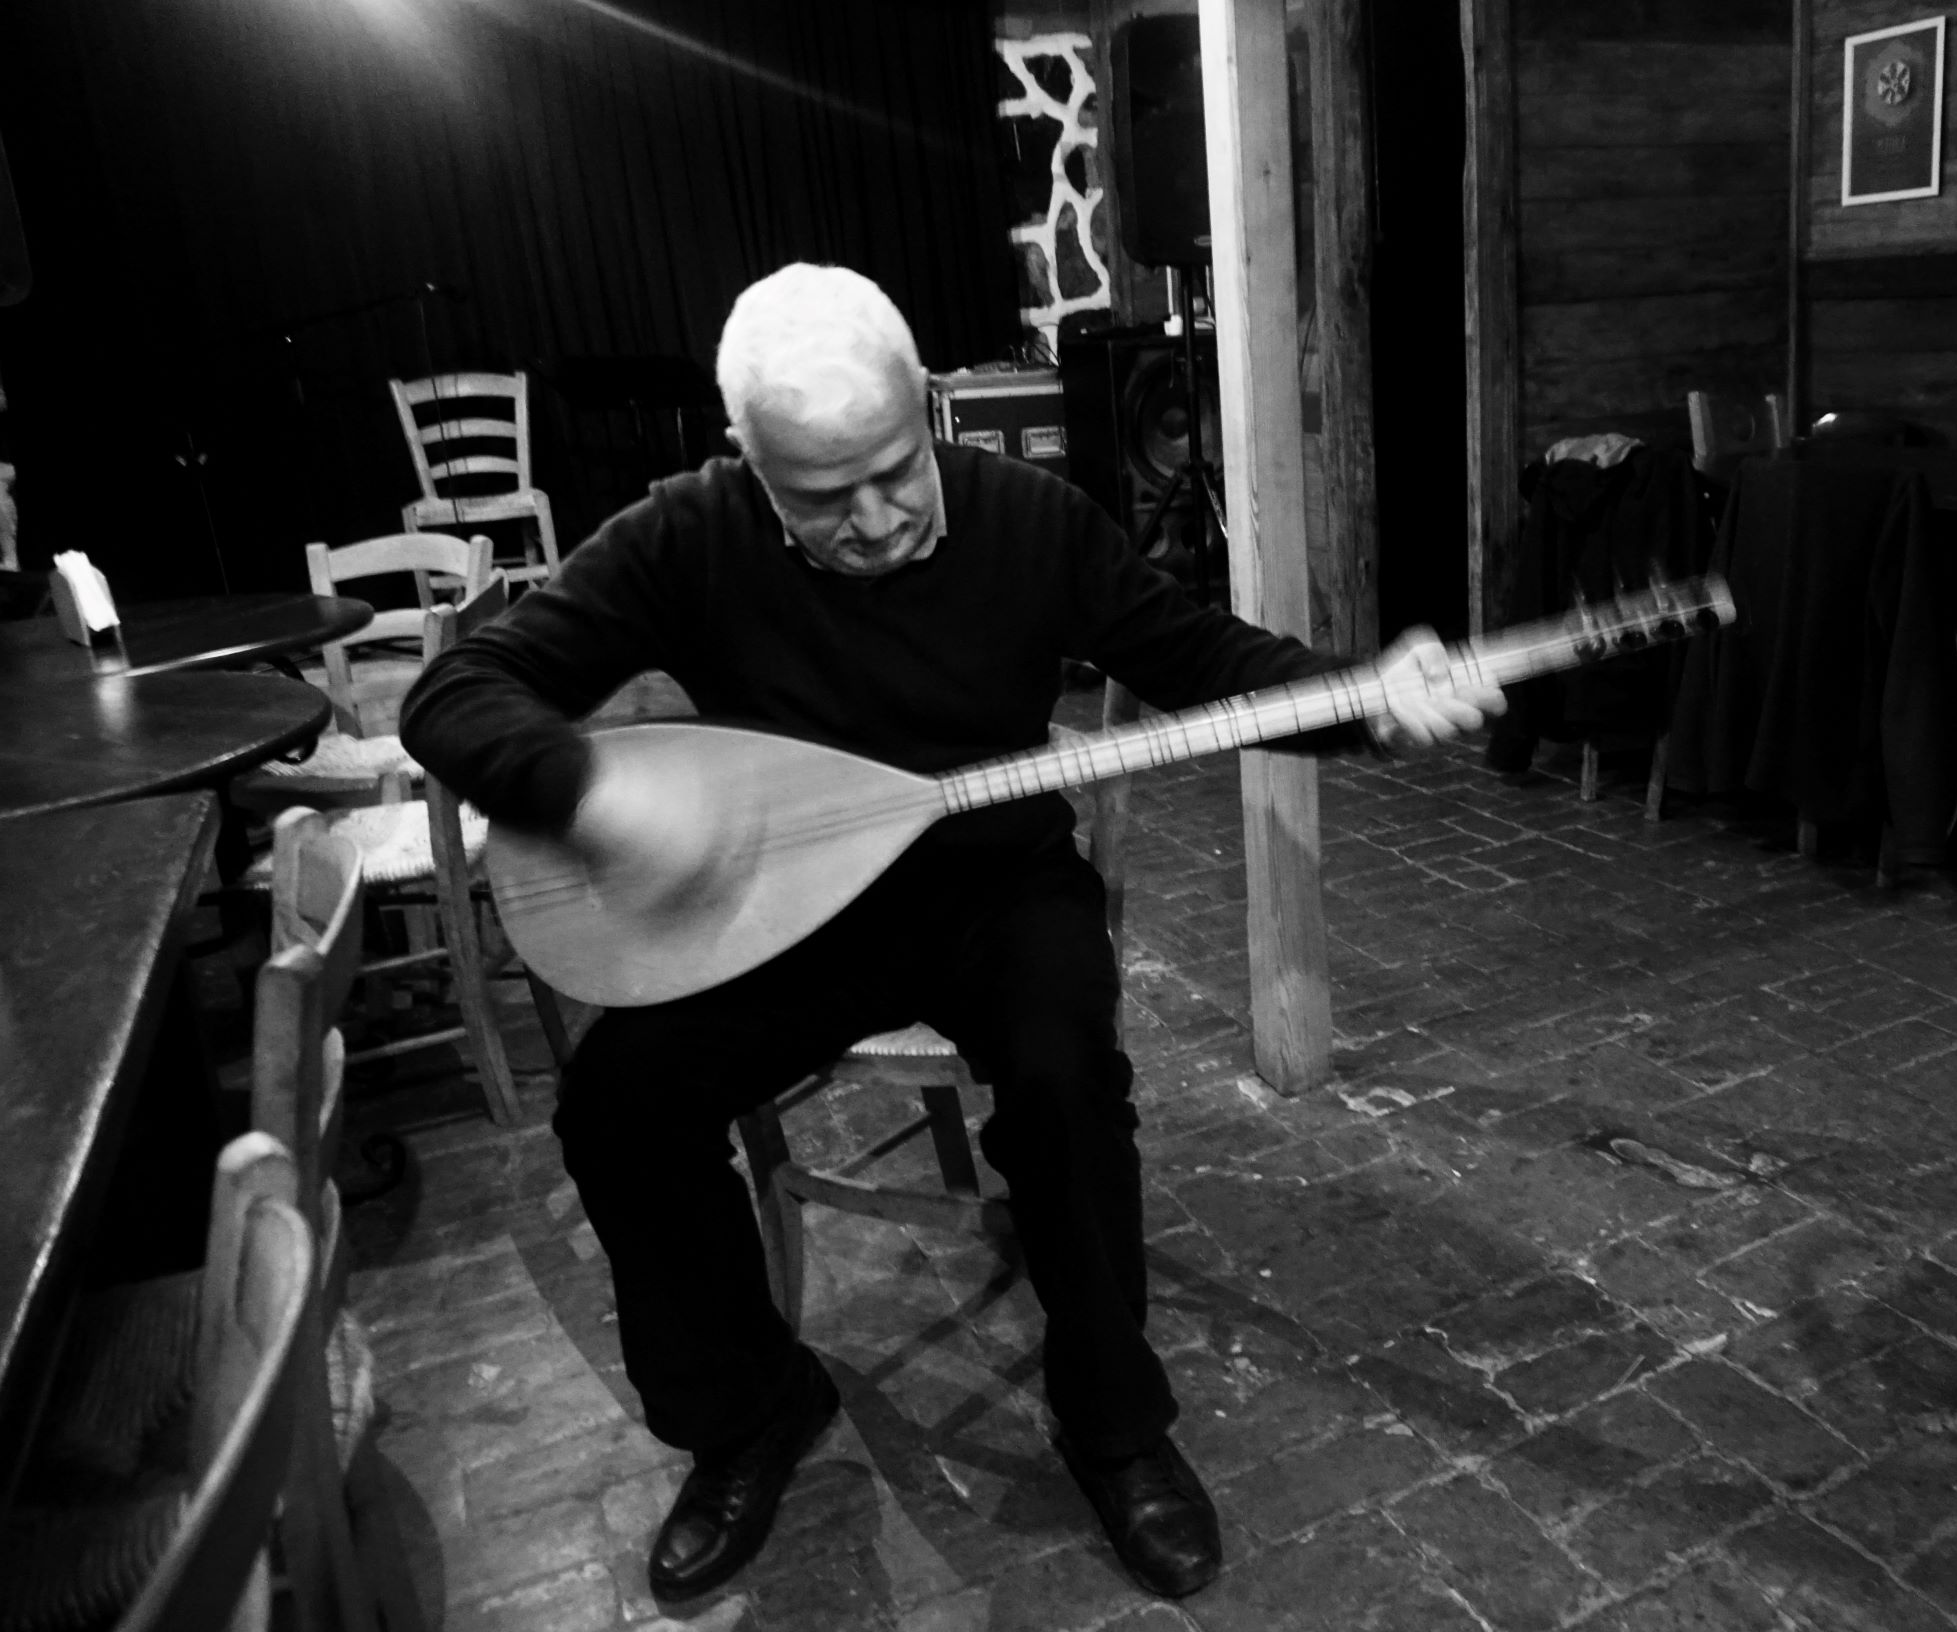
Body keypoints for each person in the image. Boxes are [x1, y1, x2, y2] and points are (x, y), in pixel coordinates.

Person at [400, 263, 1501, 1603]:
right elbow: (455, 692)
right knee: (618, 1107)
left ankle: (1114, 1425)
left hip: (995, 887)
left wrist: (1367, 697)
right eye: (820, 497)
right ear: (746, 459)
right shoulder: (687, 534)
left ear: (927, 404)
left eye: (893, 472)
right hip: (781, 910)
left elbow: (1207, 664)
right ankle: (750, 1411)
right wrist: (587, 792)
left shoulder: (1031, 521)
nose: (871, 522)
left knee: (1066, 1080)